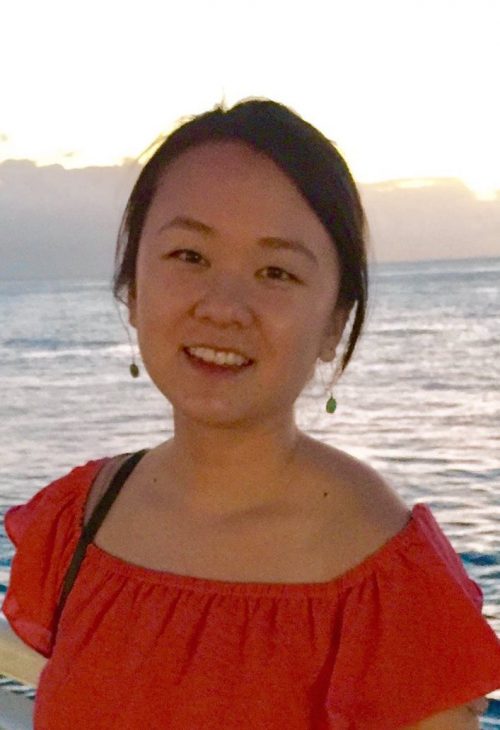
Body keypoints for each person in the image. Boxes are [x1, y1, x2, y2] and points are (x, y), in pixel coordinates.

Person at [2, 98, 499, 729]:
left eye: (276, 272)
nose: (224, 306)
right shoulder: (76, 524)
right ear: (132, 287)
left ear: (334, 323)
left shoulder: (387, 581)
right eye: (190, 257)